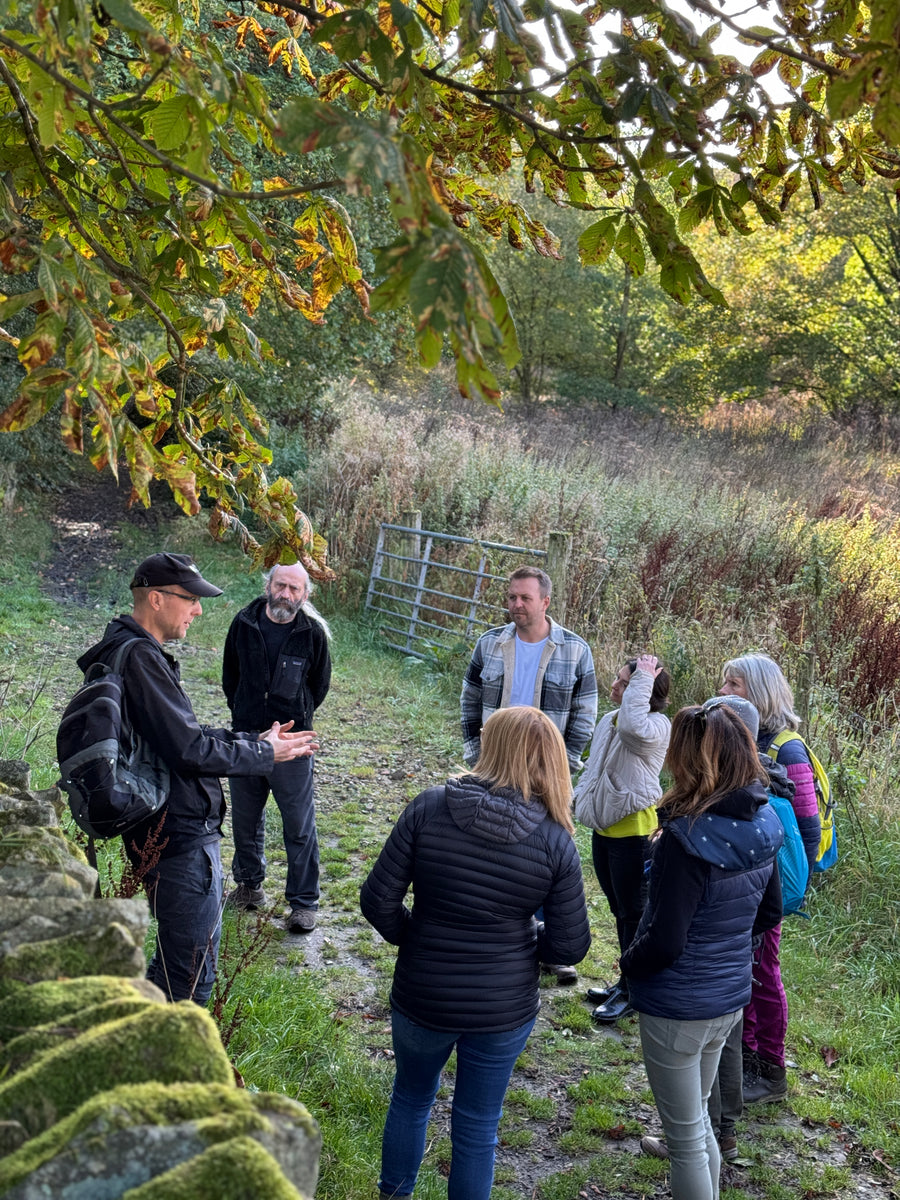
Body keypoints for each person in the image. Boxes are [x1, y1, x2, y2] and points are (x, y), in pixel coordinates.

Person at [360, 707, 591, 1200]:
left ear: (492, 747)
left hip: (422, 992)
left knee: (410, 1097)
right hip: (503, 1007)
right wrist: (526, 952)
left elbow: (376, 899)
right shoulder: (555, 841)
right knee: (478, 1126)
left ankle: (393, 1194)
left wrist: (415, 937)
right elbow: (570, 945)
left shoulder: (428, 807)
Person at [76, 552, 318, 1005]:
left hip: (163, 831)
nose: (199, 609)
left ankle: (134, 1045)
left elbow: (181, 737)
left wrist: (252, 739)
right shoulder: (140, 660)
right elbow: (189, 750)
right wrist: (266, 752)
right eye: (190, 599)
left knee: (174, 969)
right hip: (179, 839)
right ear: (156, 599)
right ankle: (166, 1067)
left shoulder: (128, 651)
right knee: (190, 982)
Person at [620, 703, 783, 1200]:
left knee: (686, 1135)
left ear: (688, 761)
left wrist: (628, 964)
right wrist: (726, 945)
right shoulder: (766, 818)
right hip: (728, 998)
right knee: (698, 1126)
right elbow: (769, 912)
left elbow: (666, 940)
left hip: (677, 1006)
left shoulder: (684, 838)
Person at [460, 565, 596, 985]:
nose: (516, 605)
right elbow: (469, 699)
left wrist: (566, 761)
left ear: (546, 602)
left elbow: (585, 711)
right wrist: (474, 753)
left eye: (525, 598)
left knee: (548, 854)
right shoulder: (490, 644)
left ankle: (553, 946)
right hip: (495, 764)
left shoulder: (575, 650)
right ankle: (492, 932)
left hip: (547, 770)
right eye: (512, 597)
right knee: (487, 847)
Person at [719, 652, 821, 1104]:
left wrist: (778, 881)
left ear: (758, 692)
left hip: (767, 881)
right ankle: (744, 1055)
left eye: (734, 685)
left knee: (762, 970)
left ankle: (771, 1072)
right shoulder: (741, 734)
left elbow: (808, 830)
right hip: (740, 877)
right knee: (740, 967)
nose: (724, 692)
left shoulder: (788, 748)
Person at [222, 562, 332, 934]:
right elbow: (229, 677)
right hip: (248, 739)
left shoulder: (312, 633)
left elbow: (318, 686)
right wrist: (247, 718)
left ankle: (303, 904)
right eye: (281, 585)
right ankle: (250, 886)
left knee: (299, 825)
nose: (286, 594)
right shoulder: (243, 623)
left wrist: (291, 722)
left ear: (305, 595)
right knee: (245, 818)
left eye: (295, 589)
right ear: (269, 585)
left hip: (293, 742)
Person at [574, 654, 670, 1024]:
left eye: (624, 683)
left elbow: (634, 729)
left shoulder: (658, 726)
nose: (613, 686)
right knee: (620, 911)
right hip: (604, 829)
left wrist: (642, 678)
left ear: (644, 692)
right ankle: (624, 982)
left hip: (634, 834)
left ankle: (634, 991)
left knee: (634, 914)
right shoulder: (609, 719)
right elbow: (594, 767)